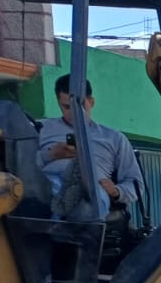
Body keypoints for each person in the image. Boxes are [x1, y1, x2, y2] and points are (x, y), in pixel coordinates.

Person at [38, 74, 145, 220]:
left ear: (91, 102)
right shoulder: (40, 129)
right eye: (67, 107)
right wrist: (51, 155)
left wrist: (117, 191)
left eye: (80, 106)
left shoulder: (113, 138)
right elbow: (20, 166)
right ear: (58, 103)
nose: (73, 112)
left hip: (91, 188)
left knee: (90, 207)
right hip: (49, 181)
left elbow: (136, 184)